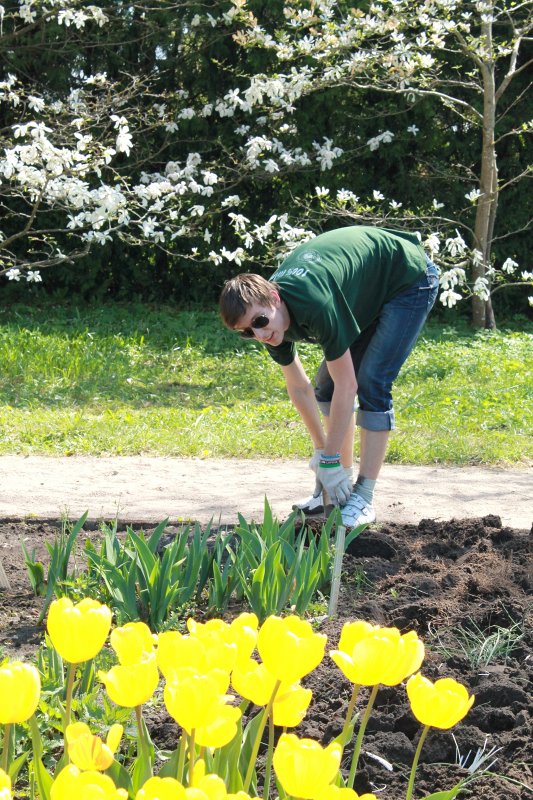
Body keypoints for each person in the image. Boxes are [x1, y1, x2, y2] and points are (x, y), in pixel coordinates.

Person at [219, 225, 439, 528]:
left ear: (274, 297)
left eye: (259, 321)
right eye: (246, 331)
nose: (258, 334)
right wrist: (323, 450)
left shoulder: (313, 303)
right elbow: (300, 388)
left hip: (407, 279)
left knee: (371, 381)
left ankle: (362, 496)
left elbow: (349, 386)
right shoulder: (271, 329)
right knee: (326, 386)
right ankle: (340, 489)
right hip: (368, 292)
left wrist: (330, 461)